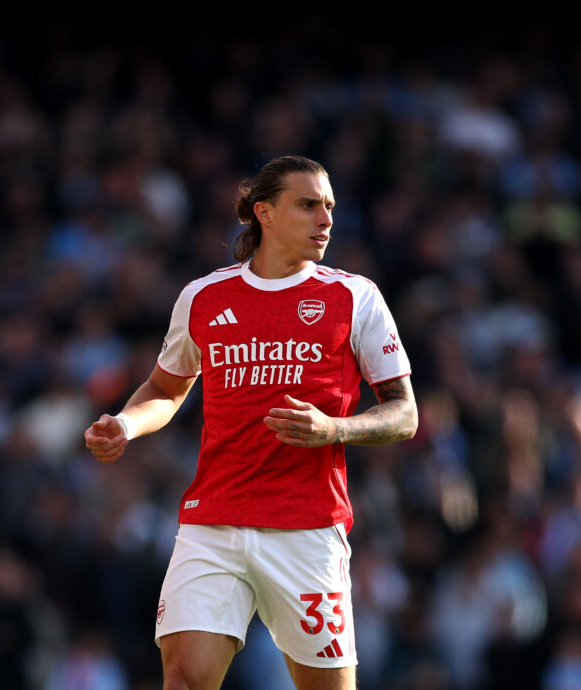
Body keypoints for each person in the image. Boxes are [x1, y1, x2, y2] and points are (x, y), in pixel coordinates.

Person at [84, 155, 417, 690]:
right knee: (187, 679)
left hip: (307, 528)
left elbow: (405, 413)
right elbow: (167, 389)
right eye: (308, 205)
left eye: (329, 207)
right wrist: (125, 424)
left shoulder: (354, 297)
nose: (325, 219)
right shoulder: (204, 297)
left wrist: (334, 429)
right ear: (264, 212)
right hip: (212, 522)